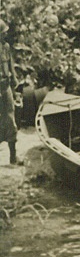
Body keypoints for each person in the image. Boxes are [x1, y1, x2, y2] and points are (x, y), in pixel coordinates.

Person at [1, 19, 21, 166]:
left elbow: (10, 65)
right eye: (2, 33)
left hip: (5, 86)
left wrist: (15, 82)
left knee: (10, 119)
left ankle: (13, 157)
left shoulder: (6, 47)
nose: (5, 35)